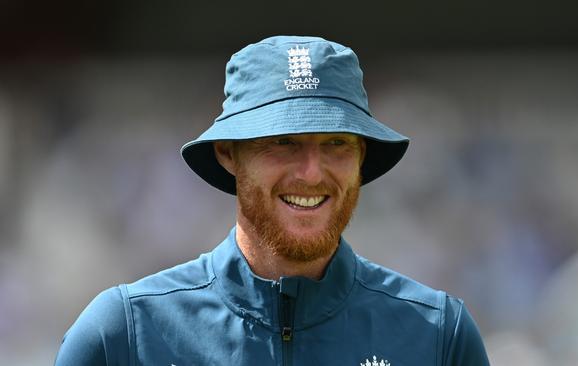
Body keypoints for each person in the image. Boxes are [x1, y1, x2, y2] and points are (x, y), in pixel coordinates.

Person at [55, 35, 490, 365]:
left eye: (336, 142)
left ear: (361, 155)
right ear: (229, 153)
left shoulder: (438, 336)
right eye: (283, 141)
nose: (311, 172)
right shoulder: (125, 334)